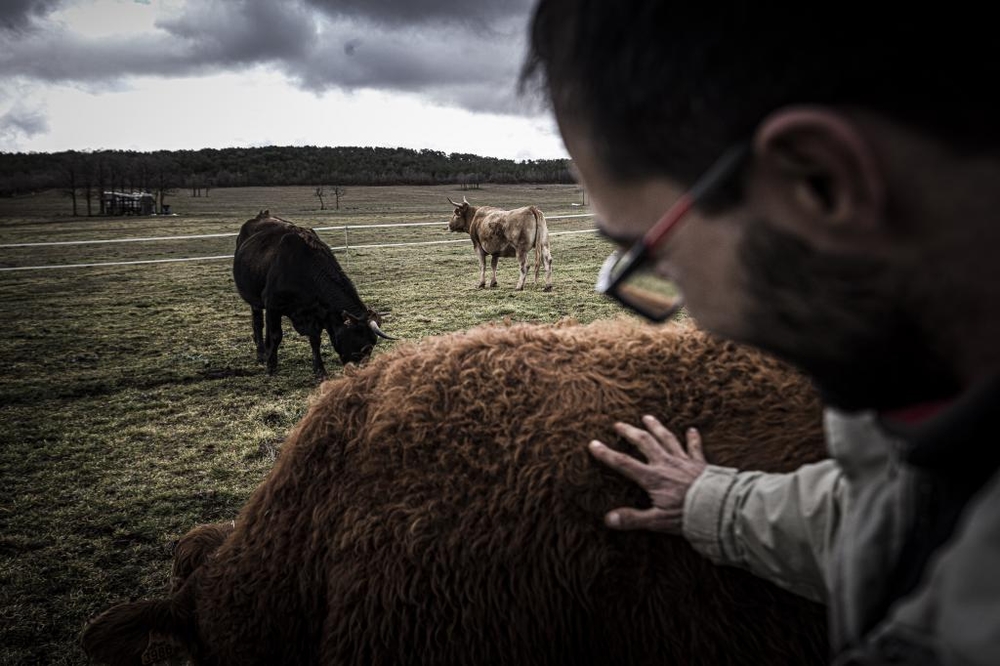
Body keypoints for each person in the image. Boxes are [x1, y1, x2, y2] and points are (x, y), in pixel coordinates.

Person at [522, 5, 1000, 665]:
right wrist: (713, 502)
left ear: (820, 181)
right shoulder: (940, 379)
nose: (687, 311)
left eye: (648, 255)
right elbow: (892, 508)